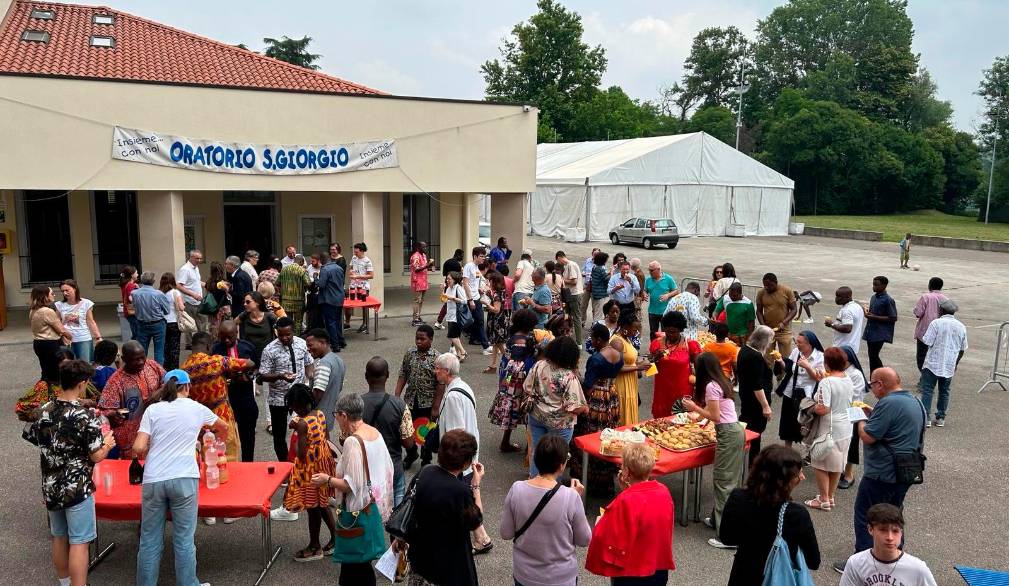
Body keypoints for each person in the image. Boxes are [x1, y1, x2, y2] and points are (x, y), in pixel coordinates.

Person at [23, 359, 115, 586]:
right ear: (82, 384)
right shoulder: (85, 416)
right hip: (77, 486)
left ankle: (64, 582)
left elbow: (33, 436)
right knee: (80, 542)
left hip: (50, 484)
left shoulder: (43, 410)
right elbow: (96, 456)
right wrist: (107, 444)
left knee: (59, 536)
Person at [132, 369, 227, 586]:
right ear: (187, 386)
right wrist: (215, 447)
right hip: (185, 477)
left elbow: (138, 447)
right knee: (184, 540)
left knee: (149, 540)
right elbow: (224, 427)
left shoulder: (153, 410)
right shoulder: (197, 408)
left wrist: (150, 451)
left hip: (154, 478)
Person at [831, 367, 926, 573]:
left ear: (880, 384)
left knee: (867, 514)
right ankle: (895, 556)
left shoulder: (888, 403)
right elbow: (897, 426)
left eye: (872, 384)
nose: (872, 389)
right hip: (907, 469)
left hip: (882, 472)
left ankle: (863, 561)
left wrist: (860, 417)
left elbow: (868, 436)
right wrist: (873, 414)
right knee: (894, 514)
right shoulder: (915, 401)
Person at [312, 392, 394, 586]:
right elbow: (387, 467)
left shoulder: (352, 441)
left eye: (336, 415)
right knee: (361, 563)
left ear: (344, 415)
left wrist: (327, 479)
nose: (336, 420)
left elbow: (351, 485)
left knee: (353, 565)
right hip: (373, 505)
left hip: (357, 509)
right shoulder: (374, 432)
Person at [720, 445, 820, 585]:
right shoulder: (796, 514)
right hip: (779, 578)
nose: (802, 477)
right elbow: (814, 561)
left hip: (742, 575)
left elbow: (726, 537)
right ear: (782, 481)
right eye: (798, 474)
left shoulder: (738, 497)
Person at [501, 434, 591, 586]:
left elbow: (506, 533)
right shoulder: (571, 497)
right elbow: (584, 539)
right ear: (561, 465)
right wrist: (575, 499)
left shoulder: (517, 489)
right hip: (561, 577)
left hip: (525, 575)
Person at [401, 429, 485, 586]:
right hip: (449, 566)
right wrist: (475, 486)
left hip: (421, 558)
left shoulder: (425, 472)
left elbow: (408, 504)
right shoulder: (459, 491)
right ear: (467, 462)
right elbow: (475, 521)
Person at [586, 442, 675, 584]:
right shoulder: (664, 491)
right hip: (658, 566)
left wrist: (601, 521)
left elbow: (608, 534)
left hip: (631, 572)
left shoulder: (624, 500)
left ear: (626, 471)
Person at [434, 352, 494, 553]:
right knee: (468, 497)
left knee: (464, 500)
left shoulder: (452, 396)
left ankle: (480, 538)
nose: (435, 372)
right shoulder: (464, 387)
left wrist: (452, 463)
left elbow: (455, 433)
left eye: (437, 369)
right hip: (468, 454)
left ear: (446, 371)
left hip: (459, 459)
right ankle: (481, 537)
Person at [683, 352, 745, 547]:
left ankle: (727, 535)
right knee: (729, 480)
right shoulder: (722, 380)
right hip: (734, 431)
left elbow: (716, 415)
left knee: (723, 482)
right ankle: (718, 519)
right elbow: (718, 411)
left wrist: (694, 407)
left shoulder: (710, 386)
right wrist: (701, 417)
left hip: (727, 432)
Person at [280, 384, 337, 562]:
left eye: (293, 406)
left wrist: (297, 431)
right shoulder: (319, 414)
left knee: (313, 508)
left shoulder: (303, 424)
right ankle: (336, 540)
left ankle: (314, 547)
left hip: (309, 470)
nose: (292, 409)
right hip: (322, 466)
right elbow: (325, 438)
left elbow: (301, 453)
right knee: (322, 504)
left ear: (298, 405)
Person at [182, 330, 252, 464]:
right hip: (222, 415)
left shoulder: (183, 368)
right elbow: (249, 363)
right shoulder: (215, 362)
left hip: (201, 420)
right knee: (228, 455)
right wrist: (230, 374)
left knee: (208, 456)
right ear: (209, 346)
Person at [570, 323, 624, 495]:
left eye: (592, 338)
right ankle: (606, 481)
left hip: (597, 397)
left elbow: (588, 384)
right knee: (608, 434)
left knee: (590, 434)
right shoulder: (618, 354)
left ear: (599, 340)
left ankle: (588, 479)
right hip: (612, 396)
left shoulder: (596, 358)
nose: (591, 341)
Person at [523, 337, 588, 477]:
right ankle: (551, 489)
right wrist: (584, 409)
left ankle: (535, 481)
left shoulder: (539, 365)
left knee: (537, 451)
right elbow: (574, 407)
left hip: (536, 415)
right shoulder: (568, 376)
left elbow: (527, 387)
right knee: (557, 457)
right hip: (560, 423)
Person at [804, 347, 853, 512]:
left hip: (829, 425)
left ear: (827, 363)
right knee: (837, 463)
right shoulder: (848, 378)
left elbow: (823, 408)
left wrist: (811, 406)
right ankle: (830, 497)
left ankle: (823, 499)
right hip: (845, 425)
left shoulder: (827, 381)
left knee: (820, 461)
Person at [98, 340, 166, 459]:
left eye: (142, 357)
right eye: (135, 359)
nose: (140, 362)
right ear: (124, 359)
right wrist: (114, 414)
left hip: (157, 429)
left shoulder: (152, 366)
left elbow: (170, 382)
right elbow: (103, 410)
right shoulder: (116, 381)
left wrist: (158, 393)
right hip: (132, 438)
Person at [259, 317, 313, 468]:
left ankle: (305, 464)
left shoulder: (302, 344)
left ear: (293, 331)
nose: (284, 338)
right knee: (279, 434)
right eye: (281, 335)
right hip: (278, 398)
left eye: (288, 334)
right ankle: (285, 466)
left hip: (299, 397)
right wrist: (280, 376)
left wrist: (310, 380)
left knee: (306, 428)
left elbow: (309, 363)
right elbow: (262, 375)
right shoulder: (269, 350)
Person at [360, 357, 414, 506]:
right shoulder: (399, 405)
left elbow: (344, 439)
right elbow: (409, 443)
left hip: (365, 469)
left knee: (367, 513)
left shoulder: (356, 405)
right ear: (388, 375)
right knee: (396, 516)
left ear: (366, 376)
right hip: (392, 466)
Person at [841, 504, 937, 586]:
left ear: (901, 533)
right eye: (883, 530)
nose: (890, 537)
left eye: (895, 531)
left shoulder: (918, 569)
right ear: (870, 529)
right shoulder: (855, 563)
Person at [489, 309, 538, 453]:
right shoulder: (522, 341)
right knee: (527, 411)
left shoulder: (514, 337)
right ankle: (530, 447)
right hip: (520, 383)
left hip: (509, 381)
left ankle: (505, 442)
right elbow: (519, 365)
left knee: (511, 412)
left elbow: (507, 364)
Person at [395, 324, 443, 469]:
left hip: (428, 403)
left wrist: (436, 407)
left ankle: (426, 461)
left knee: (426, 432)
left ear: (431, 339)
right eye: (417, 338)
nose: (419, 342)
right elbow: (403, 373)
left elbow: (440, 384)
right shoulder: (410, 353)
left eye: (422, 339)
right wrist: (397, 395)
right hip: (410, 400)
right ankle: (411, 454)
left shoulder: (438, 358)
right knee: (406, 430)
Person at [211, 321, 259, 462]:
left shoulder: (247, 347)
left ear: (236, 334)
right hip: (225, 400)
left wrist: (248, 376)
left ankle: (248, 464)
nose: (226, 340)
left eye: (230, 337)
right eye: (223, 337)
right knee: (225, 438)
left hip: (245, 397)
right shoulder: (215, 350)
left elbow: (256, 367)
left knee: (248, 437)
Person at [919, 298, 967, 427]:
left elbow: (927, 341)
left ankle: (926, 418)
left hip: (933, 363)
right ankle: (940, 418)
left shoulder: (936, 323)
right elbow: (962, 349)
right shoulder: (961, 326)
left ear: (941, 310)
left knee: (928, 390)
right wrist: (955, 363)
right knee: (944, 391)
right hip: (949, 364)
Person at [775, 330, 825, 447]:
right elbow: (790, 369)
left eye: (800, 342)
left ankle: (807, 452)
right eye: (796, 342)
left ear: (809, 344)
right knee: (788, 424)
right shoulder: (796, 352)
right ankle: (787, 450)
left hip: (807, 396)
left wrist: (808, 367)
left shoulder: (820, 357)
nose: (797, 345)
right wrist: (781, 362)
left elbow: (819, 379)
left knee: (806, 425)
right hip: (790, 392)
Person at [649, 311, 702, 418]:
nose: (670, 335)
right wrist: (655, 358)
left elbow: (700, 370)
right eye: (668, 331)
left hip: (683, 392)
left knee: (682, 424)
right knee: (661, 424)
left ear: (681, 330)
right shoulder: (656, 344)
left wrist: (699, 393)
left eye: (674, 332)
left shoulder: (690, 345)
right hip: (662, 392)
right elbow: (649, 369)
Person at [736, 326, 775, 464]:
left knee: (746, 425)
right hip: (755, 400)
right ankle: (752, 461)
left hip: (745, 395)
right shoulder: (756, 356)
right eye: (770, 340)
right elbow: (757, 385)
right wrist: (765, 406)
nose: (770, 343)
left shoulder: (744, 349)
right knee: (755, 431)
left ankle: (743, 456)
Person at [611, 312, 650, 426]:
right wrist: (638, 367)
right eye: (634, 329)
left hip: (630, 382)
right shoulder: (617, 342)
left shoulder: (627, 338)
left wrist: (647, 360)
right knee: (623, 415)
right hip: (621, 384)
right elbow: (616, 368)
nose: (636, 332)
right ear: (625, 327)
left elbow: (630, 361)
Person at [305, 328, 345, 436]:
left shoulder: (324, 363)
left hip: (318, 418)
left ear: (322, 343)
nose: (308, 349)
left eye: (310, 345)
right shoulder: (338, 360)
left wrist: (306, 410)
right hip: (329, 414)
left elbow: (318, 393)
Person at [30, 285, 71, 383]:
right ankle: (55, 395)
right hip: (50, 344)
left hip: (38, 343)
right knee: (55, 374)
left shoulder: (33, 309)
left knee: (46, 371)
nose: (54, 295)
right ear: (44, 296)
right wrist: (71, 337)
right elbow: (61, 330)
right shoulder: (47, 311)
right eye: (52, 293)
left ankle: (43, 394)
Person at [56, 279, 102, 363]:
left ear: (74, 288)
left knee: (84, 365)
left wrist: (98, 337)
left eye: (67, 290)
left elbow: (90, 321)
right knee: (67, 365)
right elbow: (57, 322)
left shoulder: (86, 303)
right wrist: (62, 334)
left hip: (83, 338)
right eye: (62, 291)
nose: (65, 293)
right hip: (66, 340)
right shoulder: (59, 305)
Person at [131, 271, 172, 366]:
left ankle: (142, 371)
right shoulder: (158, 294)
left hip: (141, 323)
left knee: (142, 350)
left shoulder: (135, 293)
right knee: (159, 350)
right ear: (153, 281)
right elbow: (167, 311)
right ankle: (158, 372)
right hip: (158, 323)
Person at [755, 272, 796, 358]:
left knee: (786, 358)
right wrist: (764, 326)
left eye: (769, 285)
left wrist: (784, 323)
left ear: (776, 282)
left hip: (783, 331)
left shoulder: (787, 291)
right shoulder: (761, 293)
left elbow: (794, 309)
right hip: (768, 331)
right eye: (765, 285)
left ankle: (784, 371)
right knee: (767, 358)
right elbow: (759, 311)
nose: (767, 288)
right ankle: (769, 371)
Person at [864, 275, 898, 373]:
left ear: (884, 285)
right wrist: (867, 312)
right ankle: (874, 376)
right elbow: (873, 312)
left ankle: (881, 375)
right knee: (872, 356)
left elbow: (893, 317)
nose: (874, 287)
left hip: (879, 333)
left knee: (874, 355)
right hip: (871, 331)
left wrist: (873, 317)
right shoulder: (874, 297)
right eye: (873, 284)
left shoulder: (888, 300)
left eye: (876, 285)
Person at [913, 277, 947, 372]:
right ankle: (931, 375)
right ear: (941, 287)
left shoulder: (925, 297)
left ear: (929, 286)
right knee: (934, 355)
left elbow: (918, 313)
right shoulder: (945, 299)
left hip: (924, 331)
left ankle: (924, 376)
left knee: (922, 355)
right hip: (939, 331)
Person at [234, 291, 277, 364]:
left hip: (266, 356)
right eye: (244, 302)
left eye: (248, 302)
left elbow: (278, 333)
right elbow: (233, 323)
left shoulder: (269, 317)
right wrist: (238, 339)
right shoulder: (244, 315)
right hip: (249, 356)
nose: (244, 304)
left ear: (257, 302)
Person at [317, 248, 347, 351]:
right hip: (339, 298)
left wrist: (316, 278)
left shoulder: (325, 269)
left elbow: (321, 284)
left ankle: (335, 345)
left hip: (329, 299)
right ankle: (341, 341)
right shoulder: (339, 268)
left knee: (330, 322)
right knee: (337, 321)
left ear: (321, 259)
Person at [463, 246, 491, 353]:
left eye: (484, 256)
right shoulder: (469, 266)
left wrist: (480, 289)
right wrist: (470, 299)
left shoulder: (476, 267)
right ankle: (485, 346)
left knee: (477, 321)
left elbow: (474, 283)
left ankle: (473, 339)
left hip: (476, 297)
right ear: (475, 256)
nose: (483, 258)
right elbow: (465, 283)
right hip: (471, 298)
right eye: (481, 256)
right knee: (479, 321)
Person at [176, 250, 207, 342]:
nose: (199, 260)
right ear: (191, 257)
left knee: (201, 322)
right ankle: (189, 344)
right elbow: (179, 285)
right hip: (189, 301)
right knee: (189, 324)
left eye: (201, 258)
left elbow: (196, 282)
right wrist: (193, 294)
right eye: (197, 258)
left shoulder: (195, 268)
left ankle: (201, 341)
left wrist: (207, 285)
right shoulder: (185, 269)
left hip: (198, 301)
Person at [483, 271, 511, 373]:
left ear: (494, 282)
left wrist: (486, 303)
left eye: (490, 281)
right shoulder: (500, 292)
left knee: (498, 343)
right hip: (500, 320)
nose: (488, 282)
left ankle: (510, 361)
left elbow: (496, 309)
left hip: (497, 321)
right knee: (496, 344)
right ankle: (493, 365)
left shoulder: (497, 295)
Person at [278, 253, 312, 335]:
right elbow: (308, 283)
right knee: (298, 322)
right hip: (298, 302)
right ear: (301, 262)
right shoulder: (302, 270)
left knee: (288, 321)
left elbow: (277, 283)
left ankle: (288, 335)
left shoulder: (284, 269)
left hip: (285, 301)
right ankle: (296, 337)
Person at [556, 250, 585, 345]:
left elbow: (574, 281)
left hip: (575, 294)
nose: (558, 263)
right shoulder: (568, 266)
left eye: (558, 260)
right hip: (570, 294)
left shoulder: (571, 265)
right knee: (568, 317)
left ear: (560, 257)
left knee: (576, 317)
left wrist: (561, 279)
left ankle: (579, 342)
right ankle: (568, 338)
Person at [157, 273, 185, 370]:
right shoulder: (175, 292)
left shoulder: (159, 293)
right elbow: (181, 307)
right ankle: (174, 368)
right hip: (174, 322)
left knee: (165, 346)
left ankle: (166, 367)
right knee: (175, 347)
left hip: (162, 322)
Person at [643, 261, 677, 338]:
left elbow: (676, 291)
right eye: (649, 270)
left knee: (665, 333)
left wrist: (668, 295)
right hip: (652, 311)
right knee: (653, 333)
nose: (650, 272)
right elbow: (645, 290)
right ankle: (653, 349)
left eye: (651, 270)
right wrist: (644, 294)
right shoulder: (648, 280)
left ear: (658, 269)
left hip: (665, 312)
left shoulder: (668, 279)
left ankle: (664, 349)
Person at [346, 242, 375, 334]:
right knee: (351, 302)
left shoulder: (367, 261)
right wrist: (351, 272)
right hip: (353, 285)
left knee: (364, 306)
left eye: (357, 252)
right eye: (354, 252)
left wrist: (358, 277)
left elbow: (371, 276)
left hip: (363, 286)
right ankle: (347, 322)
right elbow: (351, 267)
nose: (355, 253)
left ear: (362, 251)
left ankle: (365, 324)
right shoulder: (354, 258)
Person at [826, 286, 865, 352]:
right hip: (852, 346)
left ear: (848, 297)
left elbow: (847, 328)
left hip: (843, 347)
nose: (836, 299)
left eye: (839, 296)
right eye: (836, 296)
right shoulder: (857, 306)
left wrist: (831, 324)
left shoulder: (847, 310)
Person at [442, 271, 470, 360]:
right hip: (450, 315)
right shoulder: (448, 289)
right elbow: (444, 300)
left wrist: (452, 298)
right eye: (447, 279)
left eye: (449, 279)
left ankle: (463, 351)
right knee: (456, 336)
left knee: (452, 336)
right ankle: (459, 355)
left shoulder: (458, 288)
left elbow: (465, 301)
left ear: (454, 280)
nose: (447, 280)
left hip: (456, 315)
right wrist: (442, 290)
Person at [409, 240, 436, 326]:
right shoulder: (415, 256)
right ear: (418, 247)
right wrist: (428, 265)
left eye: (425, 246)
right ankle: (415, 319)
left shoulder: (423, 255)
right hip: (417, 281)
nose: (425, 248)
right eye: (423, 247)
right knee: (417, 300)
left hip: (424, 281)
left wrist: (431, 266)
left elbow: (423, 267)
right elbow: (417, 269)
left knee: (421, 300)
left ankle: (418, 316)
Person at [205, 261, 232, 338]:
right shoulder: (224, 282)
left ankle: (215, 345)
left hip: (213, 308)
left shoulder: (209, 283)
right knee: (227, 327)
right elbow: (229, 290)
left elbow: (208, 290)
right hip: (225, 306)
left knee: (214, 328)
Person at [580, 248, 600, 327]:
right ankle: (582, 320)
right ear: (592, 254)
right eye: (594, 254)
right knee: (583, 304)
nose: (595, 255)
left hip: (595, 287)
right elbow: (583, 270)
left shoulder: (600, 263)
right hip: (587, 285)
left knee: (595, 306)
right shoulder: (588, 260)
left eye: (597, 254)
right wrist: (584, 273)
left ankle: (595, 323)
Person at [589, 251, 610, 321]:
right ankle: (596, 329)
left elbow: (601, 277)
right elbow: (607, 280)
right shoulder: (601, 269)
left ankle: (595, 327)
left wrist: (608, 273)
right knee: (599, 314)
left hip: (595, 293)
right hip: (600, 294)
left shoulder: (595, 267)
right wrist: (612, 272)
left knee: (596, 312)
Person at [120, 265, 139, 339]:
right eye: (136, 273)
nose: (137, 274)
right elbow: (131, 298)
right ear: (132, 275)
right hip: (133, 313)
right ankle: (134, 349)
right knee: (137, 334)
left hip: (127, 312)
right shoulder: (131, 285)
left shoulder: (125, 284)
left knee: (135, 332)